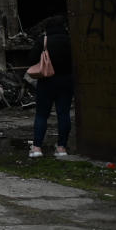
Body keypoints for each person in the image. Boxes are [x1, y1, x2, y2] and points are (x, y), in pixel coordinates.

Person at [28, 15, 74, 158]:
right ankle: (61, 148)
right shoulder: (70, 41)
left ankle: (36, 148)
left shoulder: (43, 41)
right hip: (66, 81)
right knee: (64, 114)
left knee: (42, 115)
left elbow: (31, 59)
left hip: (47, 82)